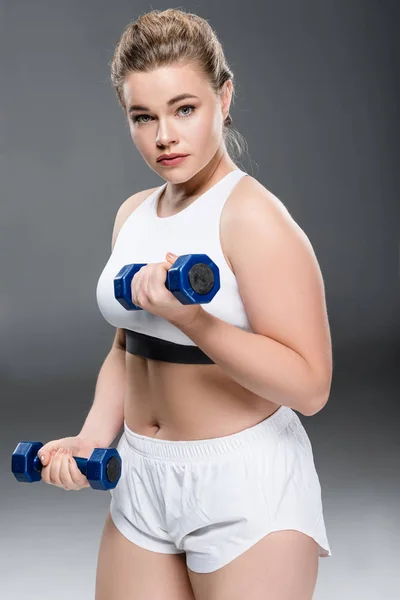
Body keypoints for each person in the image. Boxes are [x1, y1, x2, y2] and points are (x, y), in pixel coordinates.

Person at [38, 8, 332, 600]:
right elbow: (130, 345)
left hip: (244, 485)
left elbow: (310, 387)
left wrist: (195, 320)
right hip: (143, 478)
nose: (164, 136)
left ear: (224, 98)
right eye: (142, 117)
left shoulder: (253, 218)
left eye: (184, 109)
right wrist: (94, 436)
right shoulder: (133, 214)